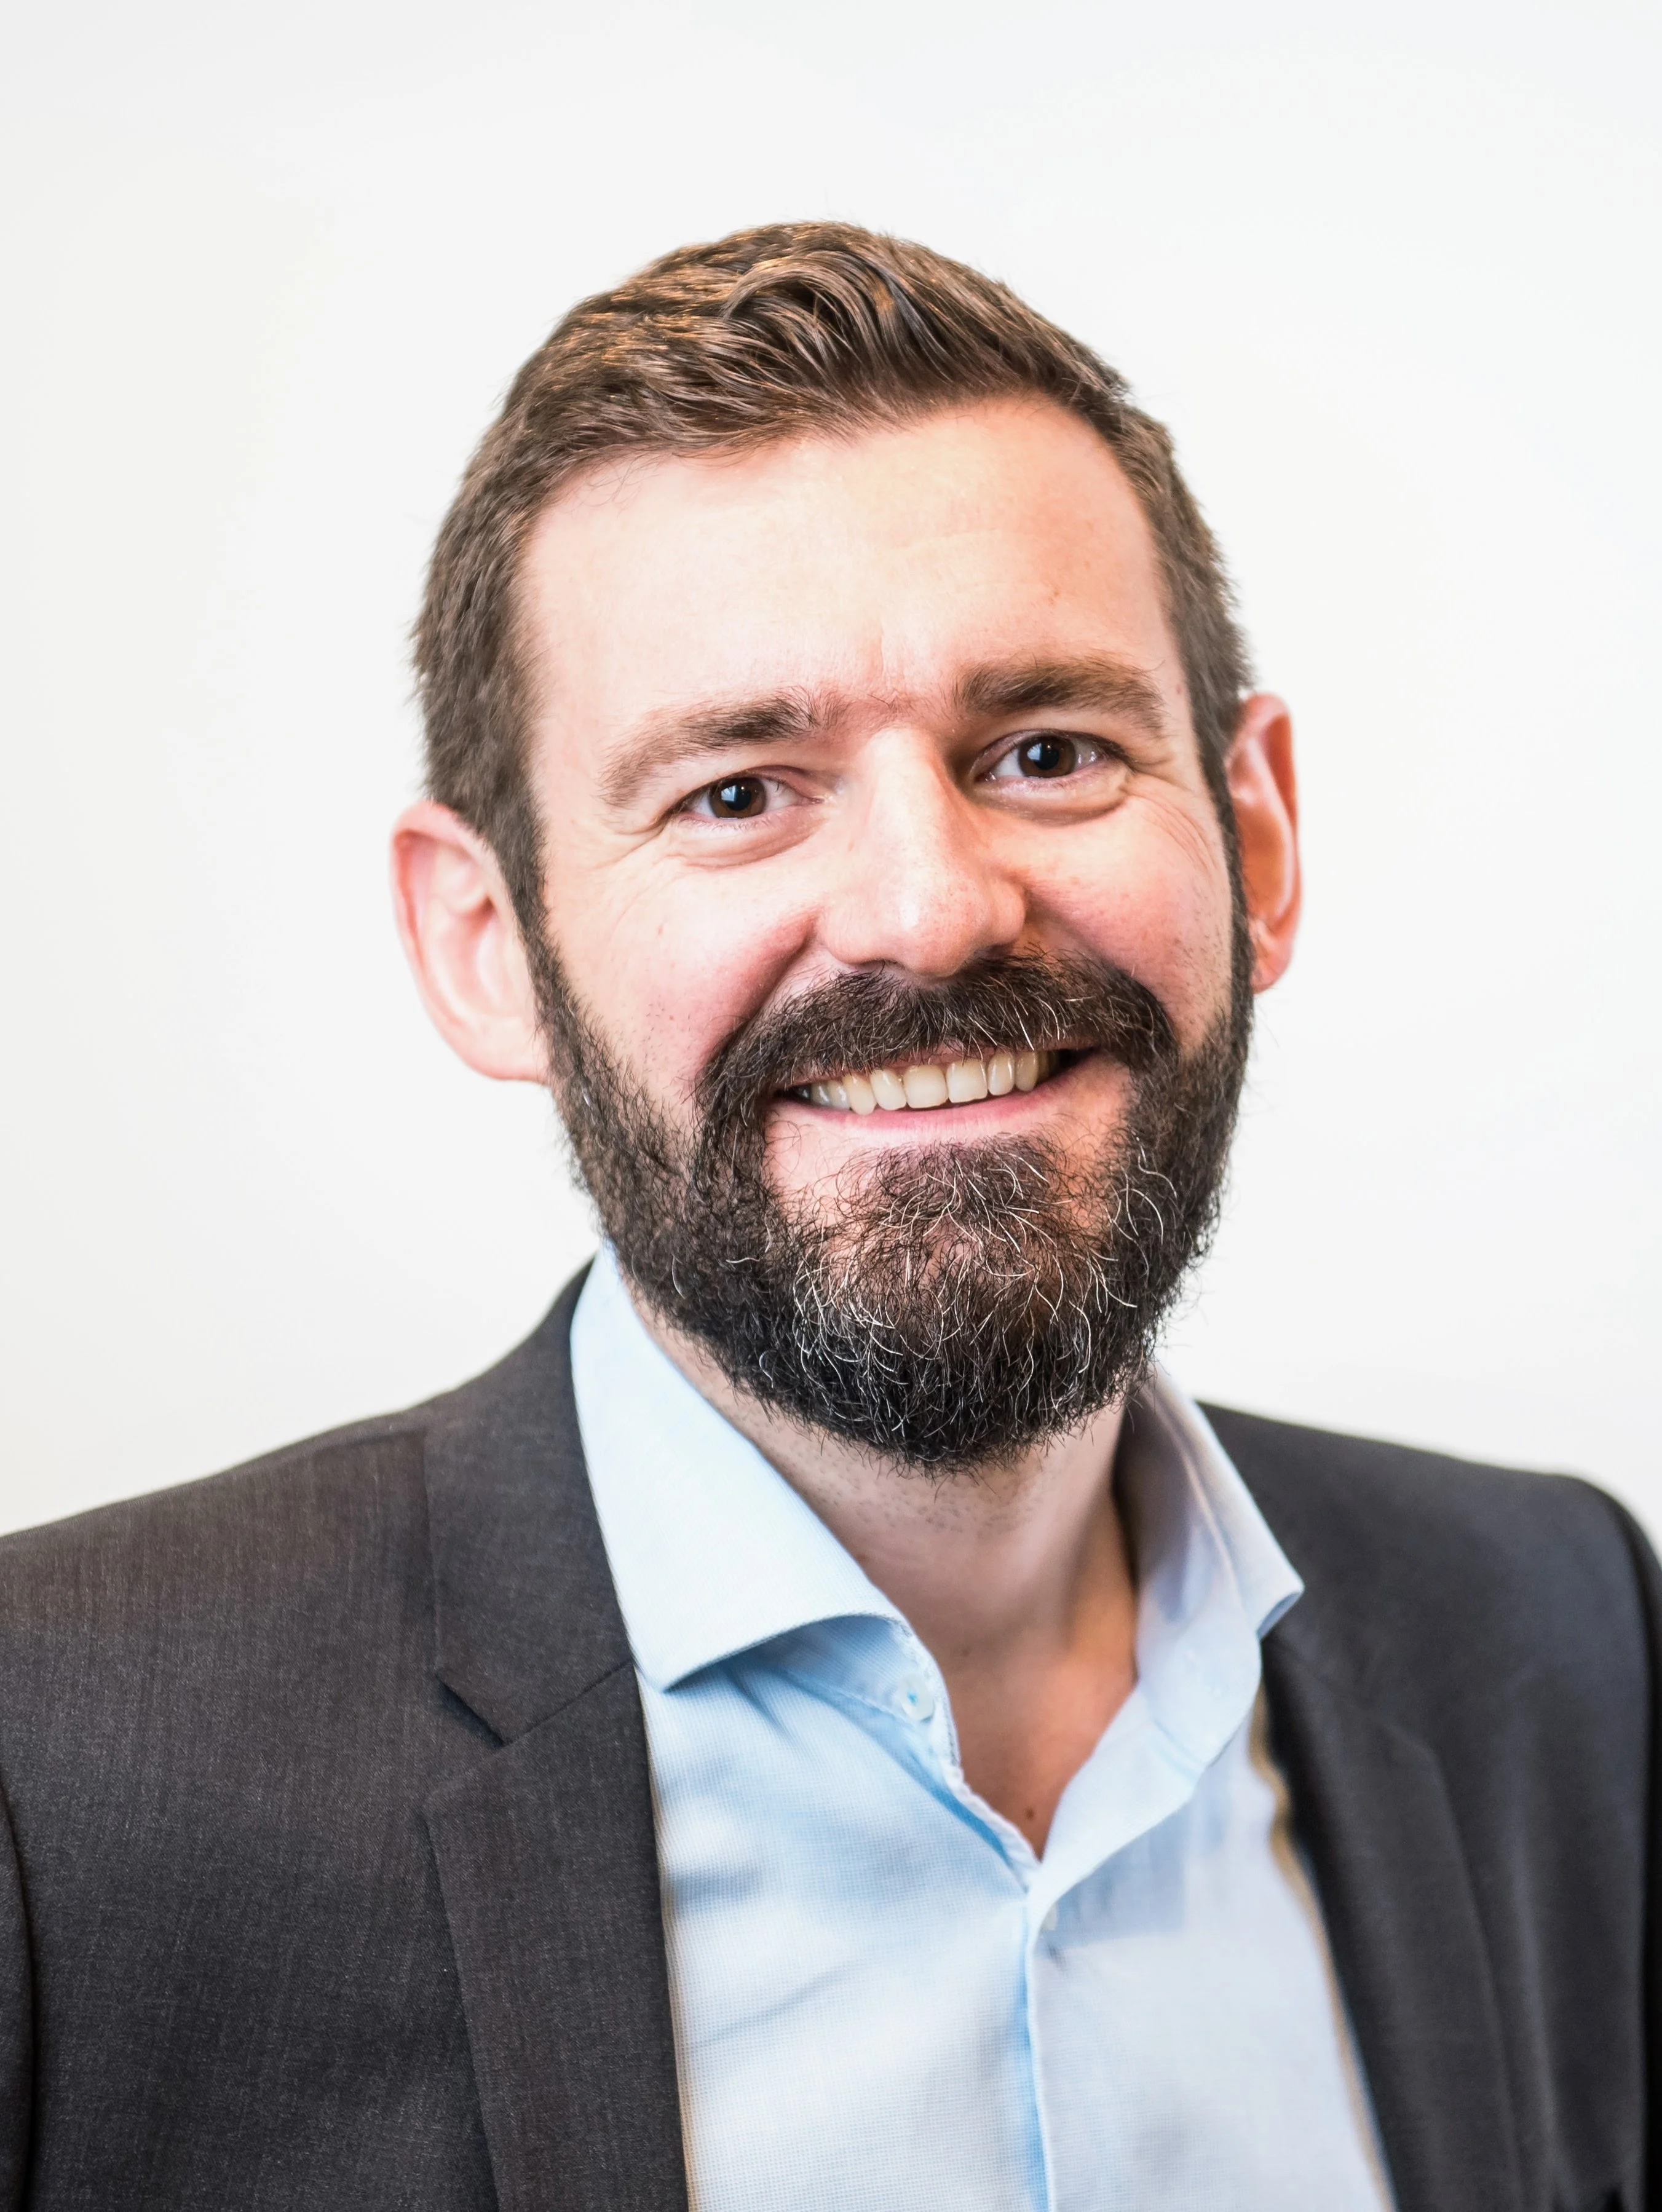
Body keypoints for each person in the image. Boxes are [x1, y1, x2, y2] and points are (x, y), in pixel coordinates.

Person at [0, 223, 1652, 2212]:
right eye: (738, 791)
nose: (927, 909)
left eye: (1045, 753)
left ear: (1256, 837)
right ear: (486, 943)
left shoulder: (1557, 1636)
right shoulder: (55, 1772)